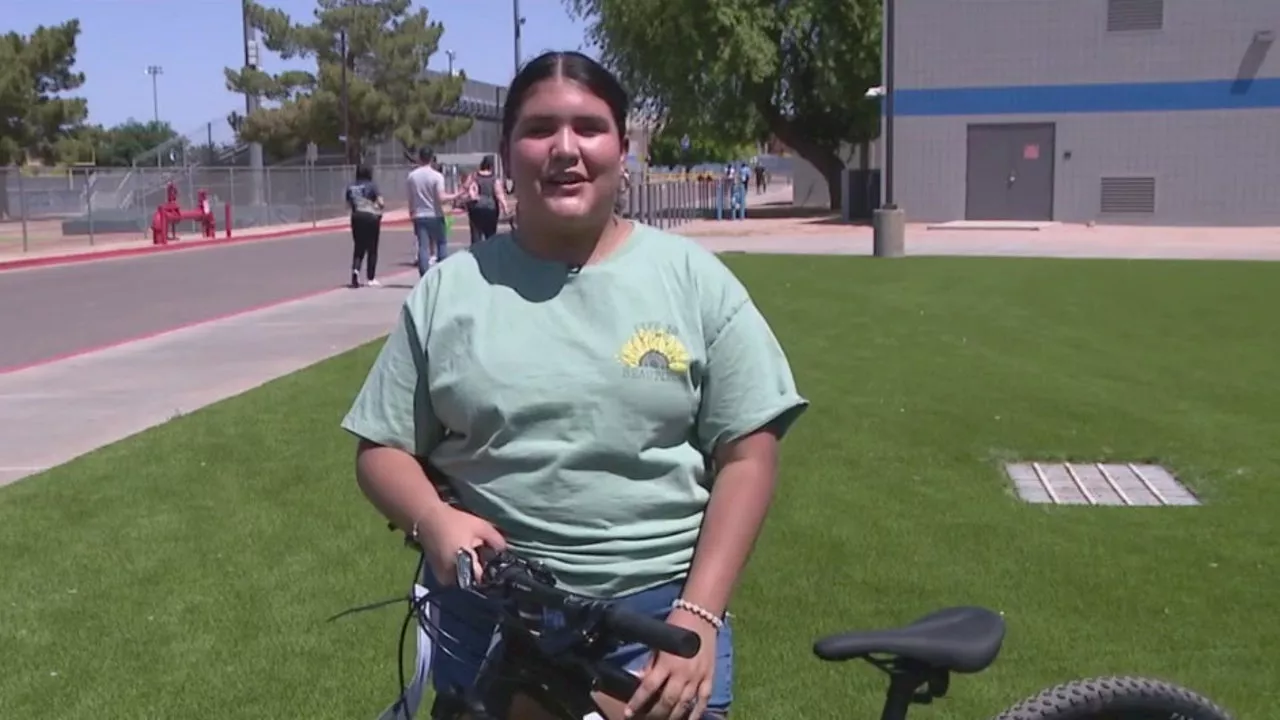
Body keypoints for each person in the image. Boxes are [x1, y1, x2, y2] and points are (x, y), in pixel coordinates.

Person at [341, 50, 807, 720]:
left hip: (656, 628)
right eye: (539, 129)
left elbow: (749, 455)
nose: (565, 149)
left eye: (588, 127)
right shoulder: (451, 292)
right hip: (491, 619)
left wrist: (699, 615)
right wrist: (434, 519)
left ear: (622, 147)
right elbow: (381, 448)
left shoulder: (694, 281)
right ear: (506, 152)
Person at [406, 147, 464, 275]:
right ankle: (442, 272)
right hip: (435, 214)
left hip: (419, 214)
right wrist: (457, 195)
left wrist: (411, 211)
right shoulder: (437, 176)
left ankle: (424, 274)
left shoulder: (412, 176)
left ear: (419, 158)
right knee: (441, 243)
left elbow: (410, 197)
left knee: (423, 247)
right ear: (431, 158)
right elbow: (441, 198)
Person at [345, 163, 385, 288]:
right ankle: (371, 277)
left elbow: (348, 205)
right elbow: (381, 202)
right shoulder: (372, 185)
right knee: (372, 248)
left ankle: (355, 271)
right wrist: (377, 207)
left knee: (359, 246)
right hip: (371, 217)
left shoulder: (350, 187)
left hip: (356, 217)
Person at [462, 154, 509, 246]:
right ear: (491, 165)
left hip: (476, 208)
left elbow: (465, 188)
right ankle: (489, 256)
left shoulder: (473, 176)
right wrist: (505, 207)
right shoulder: (494, 178)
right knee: (490, 236)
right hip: (491, 209)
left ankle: (476, 255)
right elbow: (499, 194)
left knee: (476, 236)